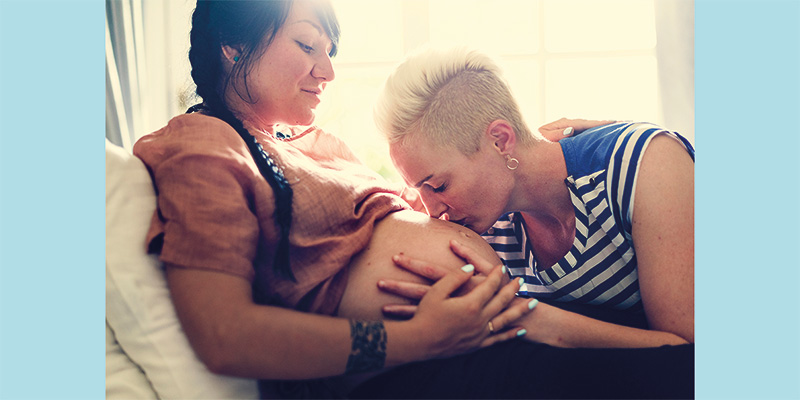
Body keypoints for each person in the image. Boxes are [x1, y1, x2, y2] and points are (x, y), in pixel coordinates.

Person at [133, 1, 693, 398]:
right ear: (233, 45)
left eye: (328, 51)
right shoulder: (202, 145)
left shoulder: (315, 146)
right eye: (307, 44)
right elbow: (224, 334)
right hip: (440, 362)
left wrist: (559, 144)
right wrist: (410, 340)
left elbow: (447, 186)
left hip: (500, 334)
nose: (327, 71)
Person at [374, 46, 694, 348]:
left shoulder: (645, 164)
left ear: (500, 141)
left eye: (440, 186)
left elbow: (689, 351)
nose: (433, 210)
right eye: (419, 190)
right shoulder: (483, 227)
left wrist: (535, 319)